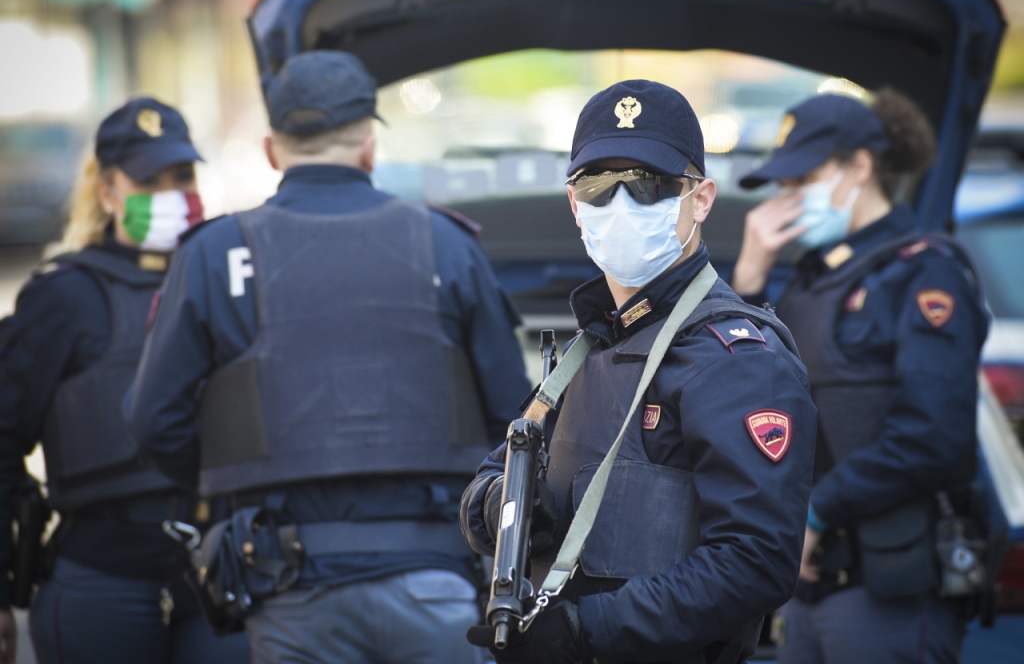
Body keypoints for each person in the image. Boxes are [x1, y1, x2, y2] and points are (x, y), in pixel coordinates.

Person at [125, 50, 531, 664]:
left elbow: (156, 419)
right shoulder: (445, 244)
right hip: (435, 578)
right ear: (369, 147)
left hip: (289, 587)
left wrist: (238, 477)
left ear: (271, 150)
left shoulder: (215, 255)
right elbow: (515, 417)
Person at [459, 79, 817, 664]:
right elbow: (484, 483)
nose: (621, 206)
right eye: (598, 186)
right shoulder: (588, 346)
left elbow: (755, 561)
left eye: (649, 185)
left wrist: (584, 631)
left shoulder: (735, 359)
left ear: (700, 199)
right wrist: (516, 507)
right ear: (574, 204)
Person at [731, 90, 989, 664]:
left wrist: (818, 513)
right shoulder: (810, 278)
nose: (787, 198)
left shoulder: (925, 272)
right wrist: (748, 283)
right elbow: (753, 394)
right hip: (810, 587)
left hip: (890, 588)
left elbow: (932, 436)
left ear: (860, 166)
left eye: (803, 179)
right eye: (783, 184)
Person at [0, 97, 250, 664]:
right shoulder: (63, 296)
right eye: (147, 180)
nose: (169, 194)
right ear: (108, 192)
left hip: (216, 568)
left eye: (181, 176)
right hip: (100, 580)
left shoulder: (225, 276)